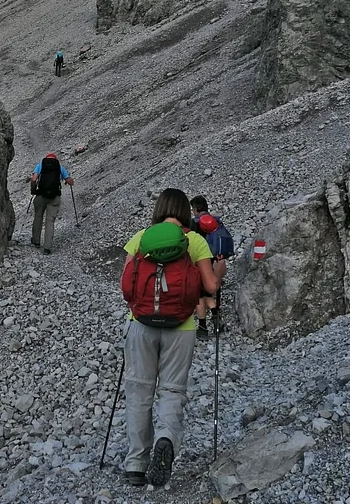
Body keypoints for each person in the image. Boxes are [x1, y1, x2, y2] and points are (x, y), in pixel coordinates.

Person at [121, 188, 224, 487]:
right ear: (183, 211)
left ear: (159, 209)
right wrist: (217, 269)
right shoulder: (195, 241)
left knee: (140, 391)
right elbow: (210, 285)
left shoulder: (142, 237)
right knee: (171, 390)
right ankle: (165, 439)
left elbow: (125, 285)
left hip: (140, 325)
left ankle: (136, 466)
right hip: (181, 327)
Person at [190, 195, 233, 339]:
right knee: (209, 294)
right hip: (216, 262)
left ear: (195, 208)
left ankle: (202, 328)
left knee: (199, 296)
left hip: (200, 264)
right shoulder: (217, 222)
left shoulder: (195, 224)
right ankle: (217, 321)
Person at [30, 153, 73, 254]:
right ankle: (47, 248)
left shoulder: (40, 165)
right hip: (54, 197)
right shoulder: (60, 167)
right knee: (50, 221)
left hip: (41, 195)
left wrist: (33, 191)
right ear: (55, 159)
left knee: (38, 217)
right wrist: (69, 180)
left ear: (46, 158)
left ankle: (36, 241)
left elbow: (34, 179)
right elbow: (70, 182)